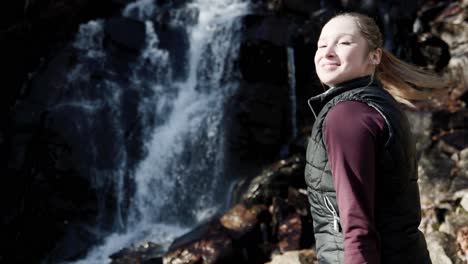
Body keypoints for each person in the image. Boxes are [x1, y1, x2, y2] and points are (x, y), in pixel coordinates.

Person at [304, 12, 447, 263]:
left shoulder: (346, 116)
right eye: (322, 44)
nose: (327, 52)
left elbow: (357, 224)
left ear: (375, 55)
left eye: (344, 42)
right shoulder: (381, 105)